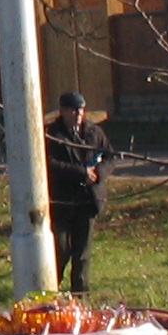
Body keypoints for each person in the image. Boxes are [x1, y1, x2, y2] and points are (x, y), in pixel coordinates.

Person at [45, 91, 108, 290]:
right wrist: (81, 173)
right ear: (63, 111)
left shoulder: (94, 132)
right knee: (60, 252)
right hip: (62, 202)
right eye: (73, 110)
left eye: (81, 109)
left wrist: (98, 173)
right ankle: (50, 292)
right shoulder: (51, 135)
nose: (78, 114)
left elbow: (109, 157)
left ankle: (80, 298)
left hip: (88, 201)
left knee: (82, 254)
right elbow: (48, 163)